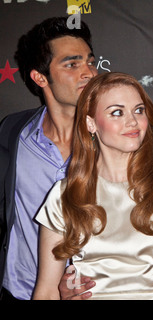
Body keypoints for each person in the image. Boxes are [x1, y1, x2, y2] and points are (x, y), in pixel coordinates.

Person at [32, 72, 153, 300]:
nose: (132, 121)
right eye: (117, 112)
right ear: (90, 123)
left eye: (139, 110)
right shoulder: (65, 195)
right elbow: (46, 291)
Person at [0, 17, 98, 300]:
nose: (89, 73)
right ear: (40, 78)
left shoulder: (119, 140)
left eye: (90, 61)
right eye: (72, 64)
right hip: (19, 291)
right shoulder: (11, 133)